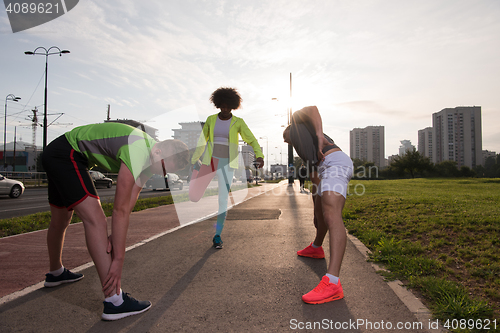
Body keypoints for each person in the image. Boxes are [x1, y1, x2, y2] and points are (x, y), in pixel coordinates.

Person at [41, 122, 189, 320]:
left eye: (165, 172)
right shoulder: (138, 149)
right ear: (158, 151)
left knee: (61, 221)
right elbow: (118, 208)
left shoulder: (151, 158)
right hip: (67, 153)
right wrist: (118, 259)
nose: (159, 173)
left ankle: (56, 272)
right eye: (162, 167)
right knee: (96, 220)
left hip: (58, 153)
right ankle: (114, 301)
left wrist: (116, 234)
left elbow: (130, 199)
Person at [283, 106, 353, 304]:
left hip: (336, 164)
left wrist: (320, 134)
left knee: (332, 215)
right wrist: (316, 207)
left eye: (285, 135)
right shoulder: (306, 149)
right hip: (325, 169)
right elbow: (315, 181)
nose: (285, 140)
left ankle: (332, 283)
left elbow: (312, 108)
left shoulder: (300, 125)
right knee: (321, 217)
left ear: (292, 129)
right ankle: (316, 247)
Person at [189, 87, 264, 249]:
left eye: (227, 107)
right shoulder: (210, 120)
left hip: (228, 163)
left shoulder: (238, 122)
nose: (224, 110)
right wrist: (195, 159)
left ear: (232, 107)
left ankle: (217, 236)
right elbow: (202, 141)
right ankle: (195, 180)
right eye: (222, 106)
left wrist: (259, 155)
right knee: (194, 196)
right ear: (218, 105)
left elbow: (251, 140)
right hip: (210, 162)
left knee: (222, 199)